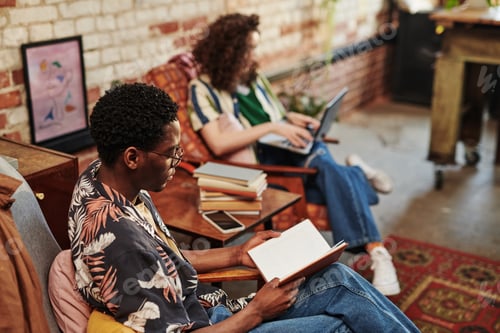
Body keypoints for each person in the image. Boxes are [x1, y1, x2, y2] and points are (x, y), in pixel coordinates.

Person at [69, 82, 419, 332]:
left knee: (336, 277)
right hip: (211, 324)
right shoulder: (118, 240)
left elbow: (163, 259)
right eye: (170, 152)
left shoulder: (105, 180)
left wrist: (237, 256)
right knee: (342, 324)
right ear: (132, 157)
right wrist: (255, 311)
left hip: (209, 309)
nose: (178, 160)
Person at [188, 13, 400, 296]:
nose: (253, 56)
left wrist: (292, 120)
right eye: (249, 48)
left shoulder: (254, 79)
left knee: (320, 160)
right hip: (267, 163)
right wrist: (272, 127)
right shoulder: (202, 89)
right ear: (228, 50)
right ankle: (362, 189)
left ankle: (373, 240)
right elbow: (218, 144)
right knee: (332, 171)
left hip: (287, 150)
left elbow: (276, 115)